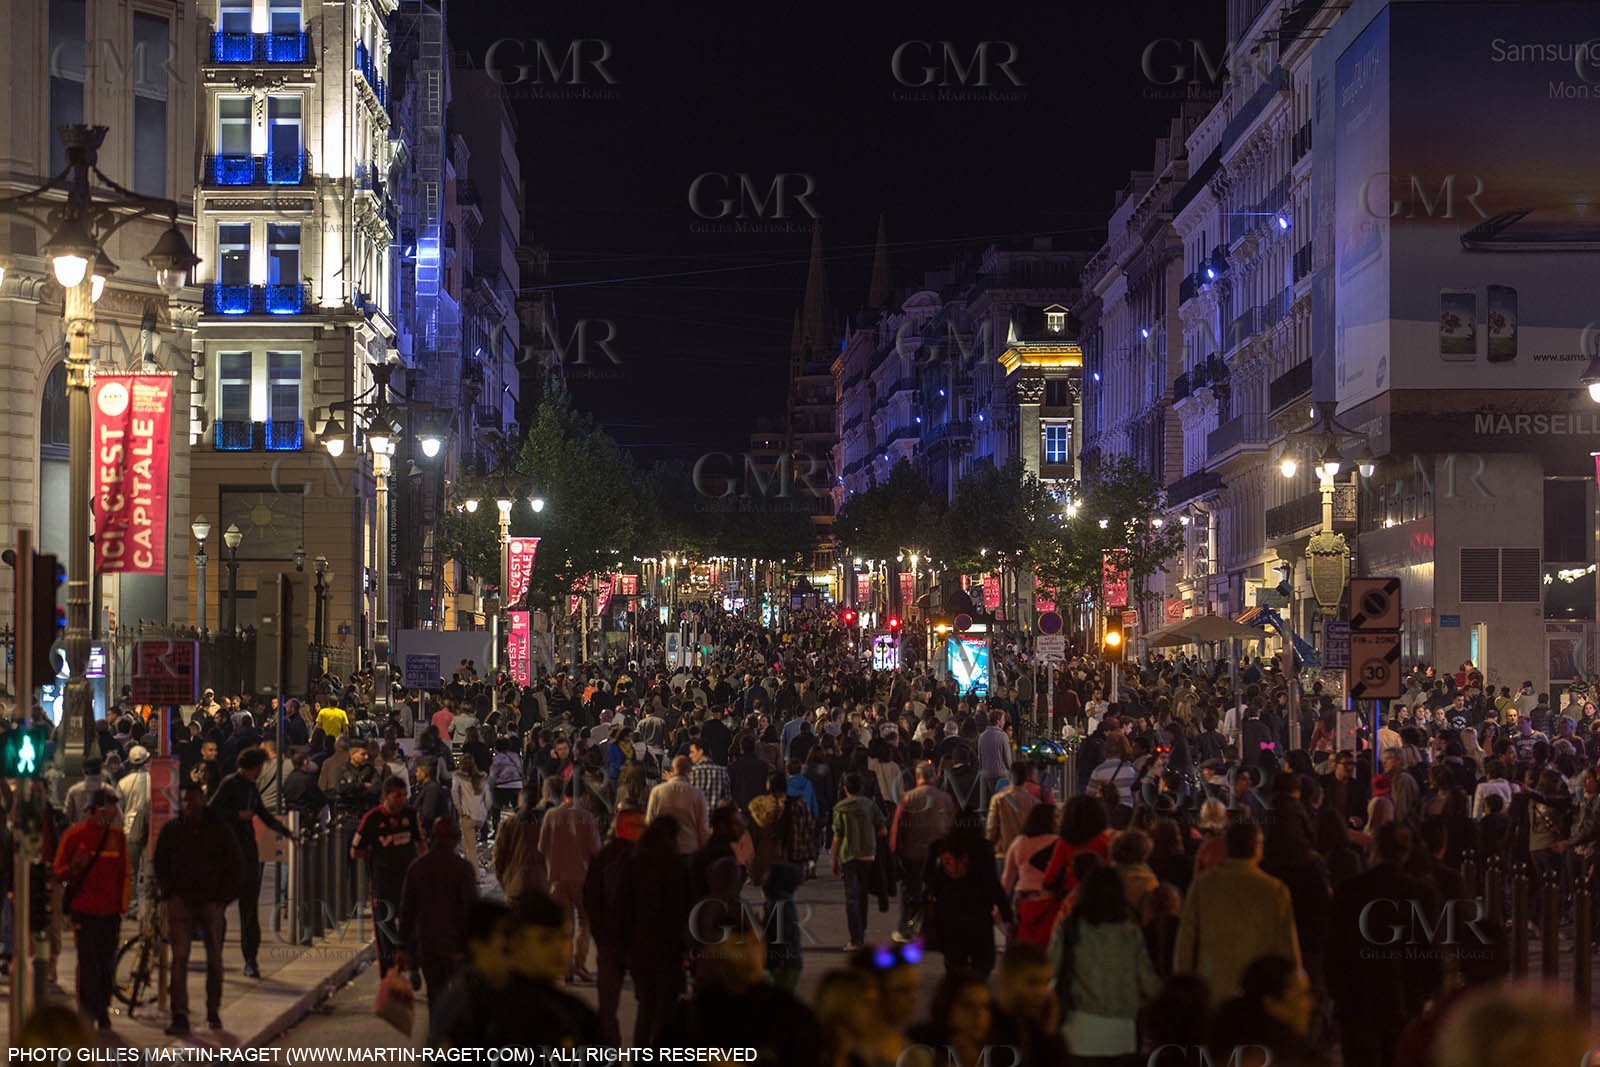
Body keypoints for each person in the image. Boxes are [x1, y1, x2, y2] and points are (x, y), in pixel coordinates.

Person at [1325, 823, 1442, 1067]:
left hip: (1357, 1000)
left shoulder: (1350, 889)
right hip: (1404, 999)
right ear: (1406, 853)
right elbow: (1429, 950)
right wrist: (1429, 992)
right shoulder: (1421, 892)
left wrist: (1337, 993)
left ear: (1374, 850)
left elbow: (1335, 949)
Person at [1175, 820, 1302, 1002]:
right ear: (1258, 848)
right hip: (1258, 992)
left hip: (1212, 987)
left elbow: (1186, 941)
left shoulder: (1203, 885)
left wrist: (1184, 988)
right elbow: (1287, 947)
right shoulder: (1274, 890)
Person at [153, 780, 243, 1035]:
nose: (189, 806)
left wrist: (222, 898)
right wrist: (168, 891)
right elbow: (160, 862)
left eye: (193, 800)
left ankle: (212, 1010)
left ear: (203, 800)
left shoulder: (218, 829)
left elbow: (235, 864)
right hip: (181, 899)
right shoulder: (174, 829)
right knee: (179, 958)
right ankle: (179, 1013)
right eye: (185, 801)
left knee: (214, 957)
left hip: (210, 901)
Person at [1049, 865, 1159, 1064]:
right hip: (1121, 1030)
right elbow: (1148, 983)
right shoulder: (1130, 934)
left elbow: (1049, 971)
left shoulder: (1069, 929)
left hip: (1078, 1027)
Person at [209, 747, 298, 978]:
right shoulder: (230, 784)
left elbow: (263, 814)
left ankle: (251, 959)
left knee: (249, 910)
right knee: (220, 907)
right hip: (228, 853)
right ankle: (215, 955)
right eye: (260, 767)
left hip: (248, 852)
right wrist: (237, 816)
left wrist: (286, 832)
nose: (261, 771)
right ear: (254, 766)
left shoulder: (251, 787)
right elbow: (213, 811)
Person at [51, 789, 129, 1032]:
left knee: (107, 962)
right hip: (83, 911)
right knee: (87, 963)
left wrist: (122, 906)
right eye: (111, 806)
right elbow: (58, 871)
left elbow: (124, 874)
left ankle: (103, 1009)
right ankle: (86, 1011)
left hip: (110, 913)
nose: (115, 811)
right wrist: (73, 868)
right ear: (97, 808)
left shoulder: (119, 837)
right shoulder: (74, 836)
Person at [620, 815, 695, 1047]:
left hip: (639, 948)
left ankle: (641, 1055)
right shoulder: (676, 867)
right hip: (668, 949)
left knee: (646, 1006)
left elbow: (623, 908)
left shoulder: (633, 864)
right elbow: (684, 911)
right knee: (665, 1008)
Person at [350, 776, 425, 975]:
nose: (401, 800)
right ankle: (389, 974)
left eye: (404, 795)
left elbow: (420, 842)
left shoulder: (410, 814)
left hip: (408, 881)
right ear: (386, 796)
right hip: (382, 883)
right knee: (385, 932)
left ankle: (413, 965)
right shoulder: (372, 818)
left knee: (412, 927)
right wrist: (375, 850)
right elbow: (355, 851)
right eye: (397, 796)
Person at [920, 810, 1010, 976]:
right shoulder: (983, 847)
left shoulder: (940, 846)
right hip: (978, 911)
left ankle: (957, 991)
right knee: (982, 962)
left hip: (947, 910)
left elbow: (927, 877)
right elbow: (992, 882)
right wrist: (1006, 911)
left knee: (955, 961)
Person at [398, 817, 478, 1005]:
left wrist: (402, 947)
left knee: (436, 995)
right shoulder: (463, 869)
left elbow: (407, 911)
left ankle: (438, 1030)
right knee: (460, 1000)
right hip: (457, 945)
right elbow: (471, 909)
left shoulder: (417, 868)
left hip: (428, 942)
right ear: (457, 838)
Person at [582, 804, 643, 1045]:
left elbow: (590, 898)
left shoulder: (604, 856)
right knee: (647, 1007)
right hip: (634, 943)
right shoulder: (645, 856)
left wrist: (600, 933)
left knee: (608, 1009)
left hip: (612, 942)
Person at [539, 776, 602, 984]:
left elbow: (542, 847)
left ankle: (566, 968)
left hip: (556, 878)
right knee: (586, 921)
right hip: (582, 878)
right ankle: (579, 964)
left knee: (565, 925)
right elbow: (596, 851)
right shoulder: (587, 817)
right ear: (582, 796)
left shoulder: (551, 816)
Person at [987, 941, 1069, 1067]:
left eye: (1046, 983)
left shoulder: (1037, 1030)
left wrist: (1051, 1034)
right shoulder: (985, 1029)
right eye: (1032, 983)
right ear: (1005, 979)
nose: (1042, 992)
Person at [830, 771, 887, 951]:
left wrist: (833, 858)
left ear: (845, 789)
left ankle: (856, 938)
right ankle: (861, 931)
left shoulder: (840, 808)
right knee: (862, 896)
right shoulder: (870, 805)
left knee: (851, 897)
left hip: (849, 855)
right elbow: (883, 830)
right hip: (868, 854)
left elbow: (837, 836)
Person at [644, 755, 710, 854]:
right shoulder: (697, 794)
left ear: (672, 769)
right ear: (689, 771)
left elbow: (649, 822)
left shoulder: (657, 791)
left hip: (663, 847)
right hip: (689, 848)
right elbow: (703, 828)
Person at [116, 745, 152, 915]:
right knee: (150, 871)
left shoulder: (123, 783)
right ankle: (150, 907)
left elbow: (118, 809)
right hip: (152, 828)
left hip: (130, 828)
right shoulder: (154, 779)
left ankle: (132, 904)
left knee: (132, 870)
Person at [451, 753, 490, 869]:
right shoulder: (482, 777)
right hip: (480, 816)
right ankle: (469, 869)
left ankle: (474, 874)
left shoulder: (457, 777)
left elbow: (454, 792)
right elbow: (488, 799)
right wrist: (485, 812)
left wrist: (459, 808)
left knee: (470, 848)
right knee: (468, 844)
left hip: (467, 815)